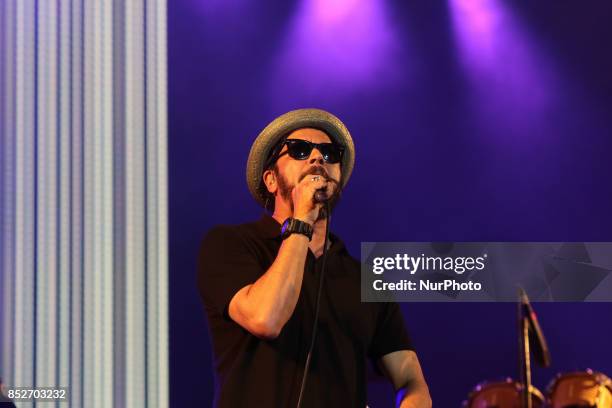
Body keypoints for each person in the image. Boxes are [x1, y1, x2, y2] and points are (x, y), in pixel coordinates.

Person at [197, 109, 431, 407]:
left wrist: (413, 400)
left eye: (330, 153)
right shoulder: (231, 244)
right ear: (270, 180)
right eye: (300, 150)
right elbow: (265, 318)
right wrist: (302, 221)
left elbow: (410, 376)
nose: (318, 159)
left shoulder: (364, 279)